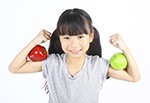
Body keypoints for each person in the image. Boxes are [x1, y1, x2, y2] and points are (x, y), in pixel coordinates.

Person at [9, 8, 140, 103]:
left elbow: (134, 77)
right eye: (66, 37)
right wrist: (34, 42)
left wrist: (125, 49)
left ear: (91, 36)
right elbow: (14, 68)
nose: (74, 44)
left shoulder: (98, 65)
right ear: (59, 38)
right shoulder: (52, 63)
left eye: (80, 37)